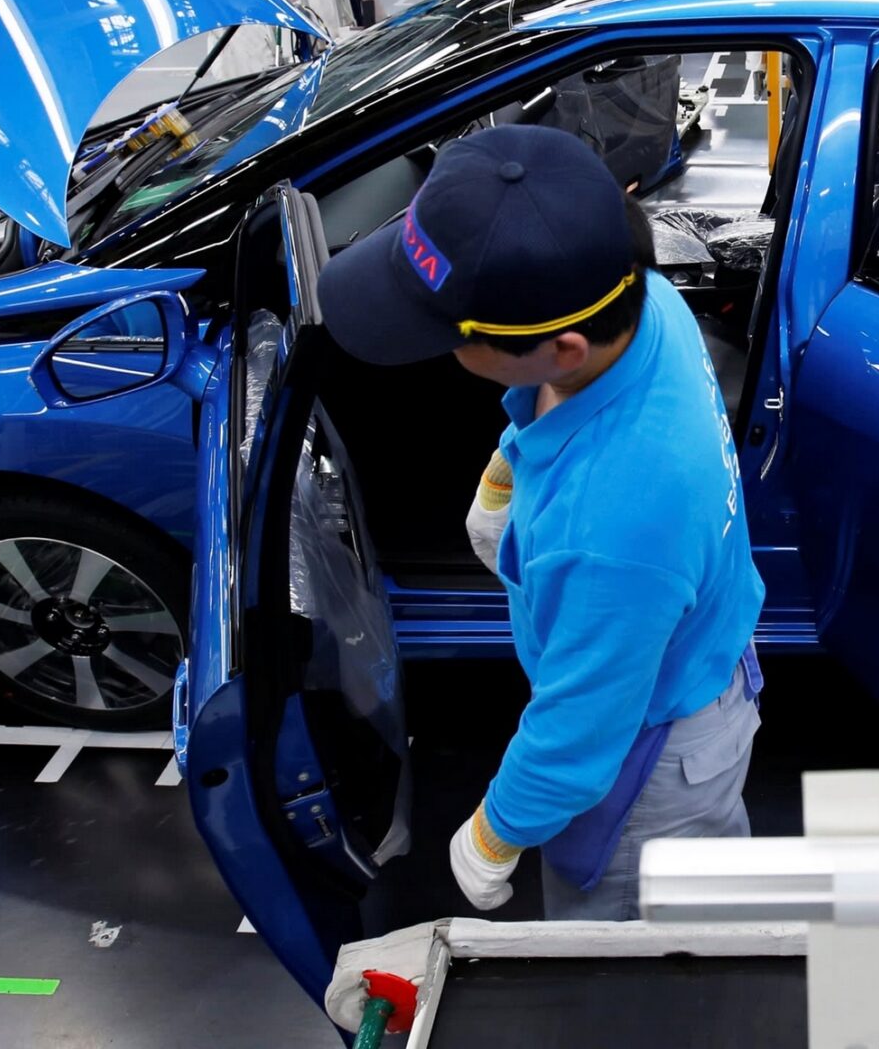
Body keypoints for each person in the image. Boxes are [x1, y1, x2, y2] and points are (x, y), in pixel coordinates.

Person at [319, 125, 764, 921]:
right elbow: (550, 402)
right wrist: (506, 472)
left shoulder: (614, 528)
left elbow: (578, 733)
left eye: (450, 335)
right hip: (687, 650)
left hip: (653, 759)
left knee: (632, 955)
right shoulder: (639, 298)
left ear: (561, 347)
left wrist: (493, 835)